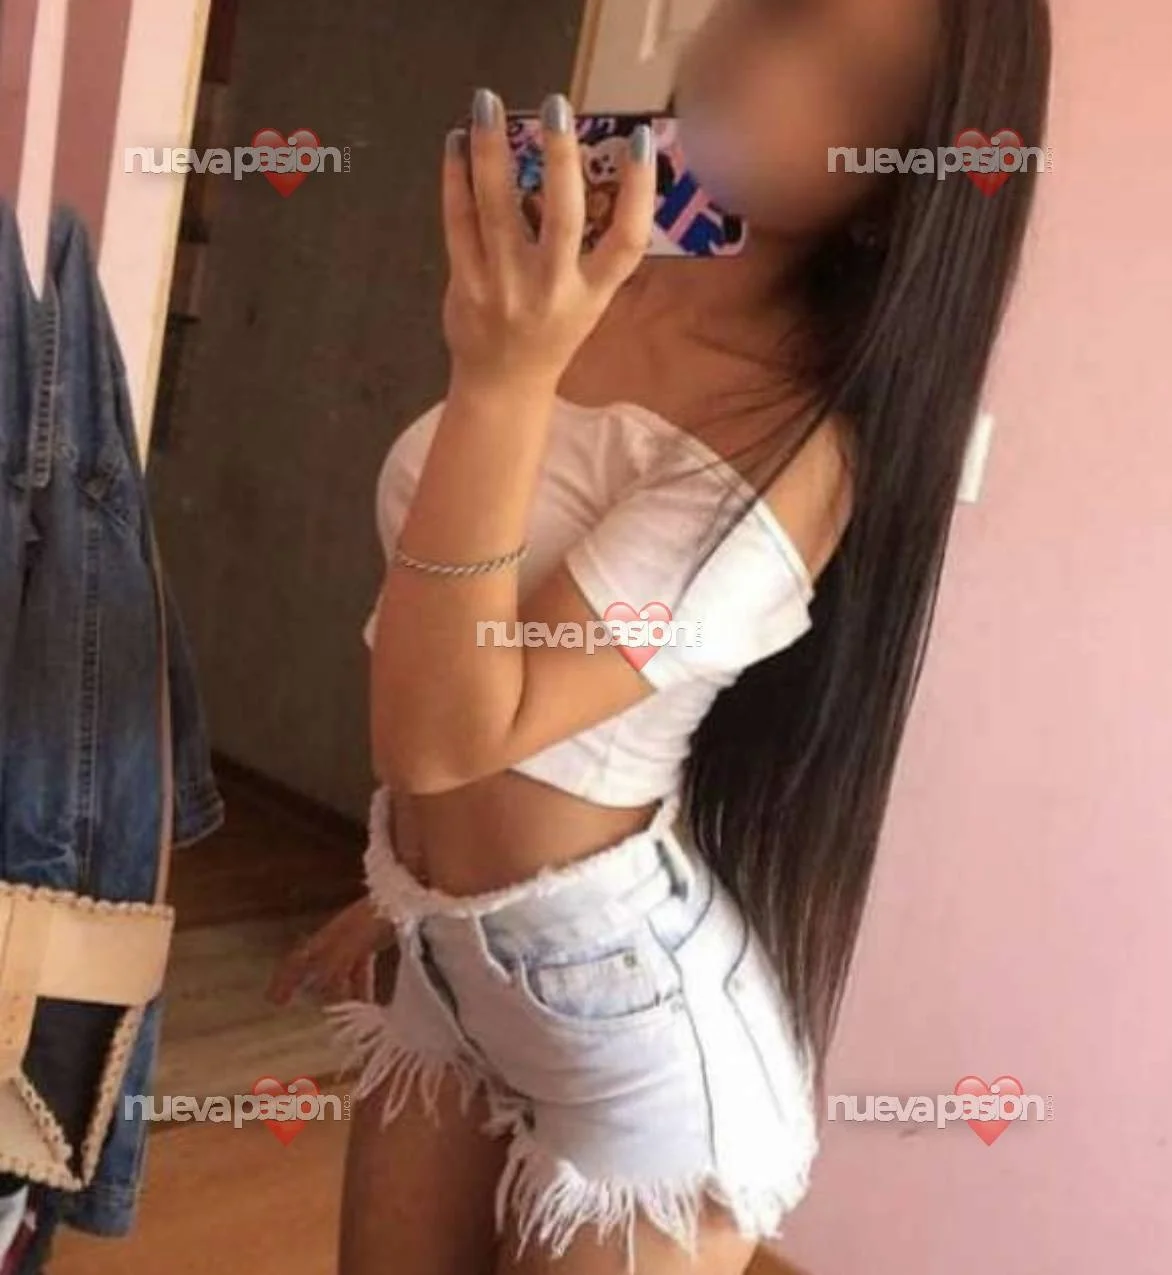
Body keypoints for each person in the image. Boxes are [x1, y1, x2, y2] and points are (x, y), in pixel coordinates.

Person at [268, 1, 1052, 1271]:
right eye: (778, 10)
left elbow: (446, 736)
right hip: (451, 966)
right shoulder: (582, 285)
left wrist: (503, 375)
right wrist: (405, 889)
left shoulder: (791, 443)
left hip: (636, 1046)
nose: (765, 67)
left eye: (848, 88)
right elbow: (447, 644)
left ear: (889, 188)